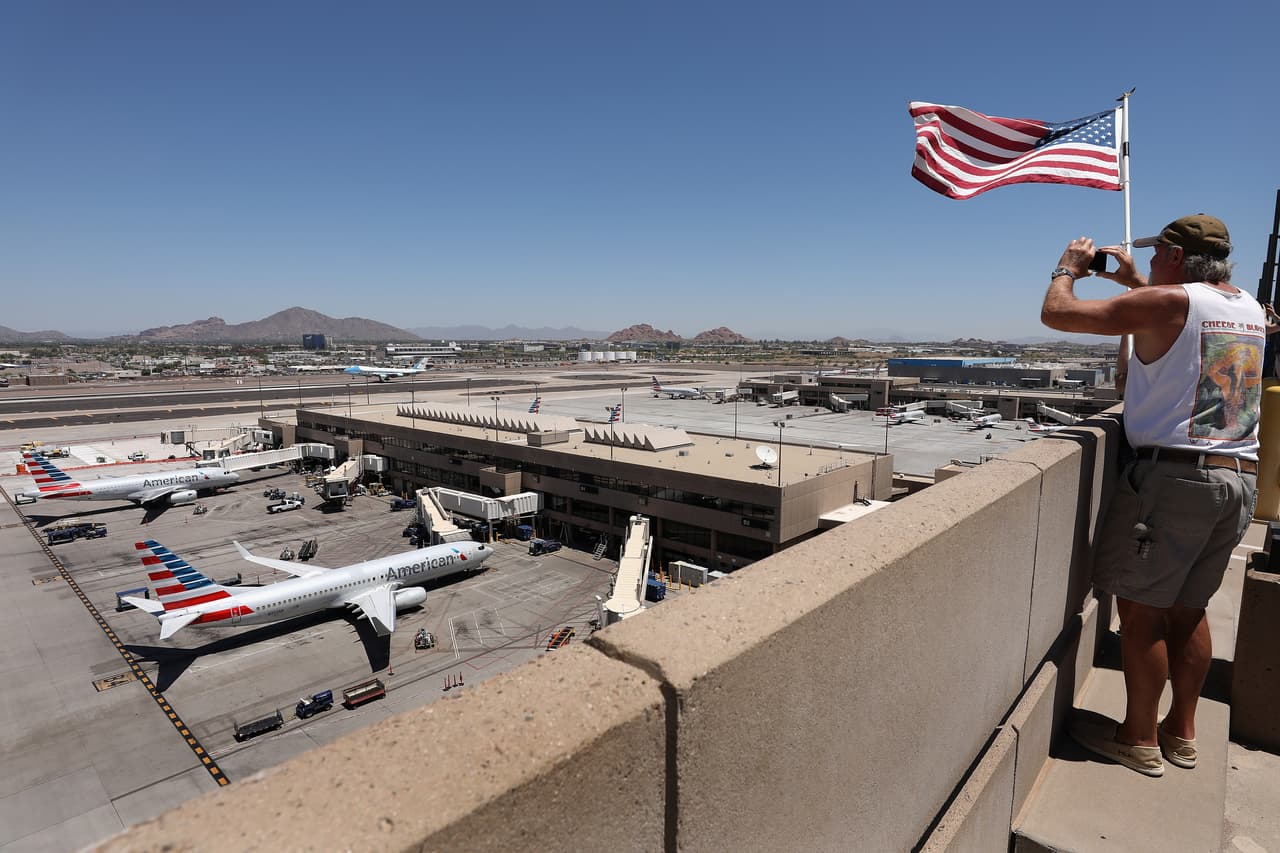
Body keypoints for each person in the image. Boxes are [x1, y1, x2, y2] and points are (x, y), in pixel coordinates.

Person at [1040, 214, 1263, 777]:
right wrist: (1135, 284)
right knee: (1188, 614)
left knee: (1141, 615)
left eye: (1154, 253)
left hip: (1175, 482)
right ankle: (1180, 733)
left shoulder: (1172, 303)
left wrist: (1068, 269)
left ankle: (1137, 738)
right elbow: (1180, 324)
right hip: (1237, 476)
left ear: (1170, 254)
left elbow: (1057, 314)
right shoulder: (1247, 306)